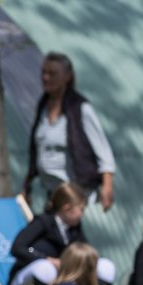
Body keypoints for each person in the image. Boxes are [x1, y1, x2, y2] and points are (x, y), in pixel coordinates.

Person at [22, 52, 116, 212]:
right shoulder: (42, 107)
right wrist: (27, 185)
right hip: (51, 195)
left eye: (52, 73)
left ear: (67, 76)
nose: (45, 77)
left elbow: (103, 151)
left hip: (77, 197)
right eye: (43, 72)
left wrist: (107, 187)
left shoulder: (80, 108)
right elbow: (37, 152)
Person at [8, 182, 115, 285]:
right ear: (67, 208)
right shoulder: (43, 222)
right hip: (28, 281)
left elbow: (85, 251)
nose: (82, 214)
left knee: (104, 265)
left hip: (61, 280)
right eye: (81, 209)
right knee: (45, 267)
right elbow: (17, 248)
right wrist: (45, 259)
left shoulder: (74, 228)